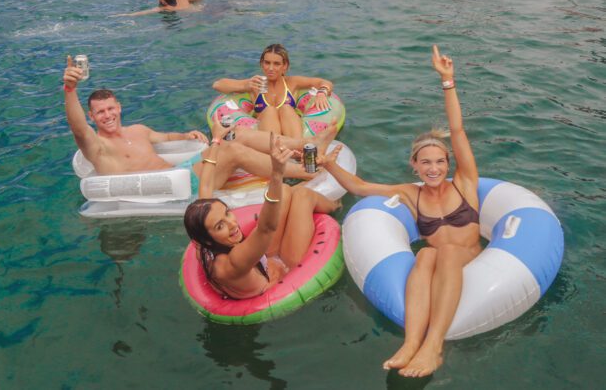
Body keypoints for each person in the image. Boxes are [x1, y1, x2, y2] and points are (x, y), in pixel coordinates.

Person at [316, 46, 482, 376]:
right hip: (440, 262)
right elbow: (360, 188)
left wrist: (448, 81)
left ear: (448, 164)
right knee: (424, 256)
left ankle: (433, 347)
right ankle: (410, 344)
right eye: (426, 163)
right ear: (414, 166)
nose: (433, 168)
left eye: (439, 162)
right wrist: (329, 165)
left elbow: (458, 130)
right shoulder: (410, 193)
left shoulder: (464, 182)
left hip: (469, 256)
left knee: (445, 251)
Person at [63, 57, 338, 186]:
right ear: (92, 117)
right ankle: (305, 173)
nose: (108, 116)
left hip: (182, 170)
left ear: (119, 107)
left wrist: (188, 134)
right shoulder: (96, 145)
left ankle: (306, 145)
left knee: (236, 135)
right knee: (229, 148)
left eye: (111, 109)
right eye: (100, 113)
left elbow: (166, 139)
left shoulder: (137, 130)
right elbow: (77, 128)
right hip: (168, 185)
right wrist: (70, 89)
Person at [183, 134, 341, 300]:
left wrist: (215, 140)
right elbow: (266, 228)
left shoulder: (202, 244)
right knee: (303, 196)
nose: (231, 224)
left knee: (286, 192)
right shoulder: (232, 263)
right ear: (207, 238)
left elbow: (206, 186)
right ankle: (337, 205)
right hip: (287, 267)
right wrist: (277, 173)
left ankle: (325, 201)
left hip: (266, 260)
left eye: (227, 213)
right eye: (220, 226)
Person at [212, 43, 335, 139]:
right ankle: (275, 154)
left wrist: (321, 93)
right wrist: (244, 85)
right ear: (261, 64)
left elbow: (324, 82)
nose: (271, 68)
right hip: (266, 135)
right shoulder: (255, 84)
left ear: (285, 66)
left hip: (291, 130)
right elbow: (218, 85)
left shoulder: (292, 82)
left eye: (276, 64)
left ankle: (297, 151)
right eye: (267, 63)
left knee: (286, 108)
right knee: (270, 110)